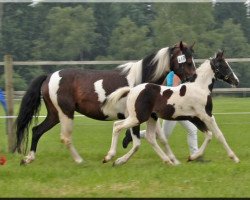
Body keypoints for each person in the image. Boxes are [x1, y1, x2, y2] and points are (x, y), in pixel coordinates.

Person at [122, 71, 199, 157]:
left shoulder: (172, 72)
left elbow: (162, 87)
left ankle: (134, 134)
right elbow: (175, 92)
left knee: (163, 135)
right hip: (174, 109)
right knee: (191, 130)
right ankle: (195, 155)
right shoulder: (175, 74)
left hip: (174, 108)